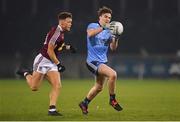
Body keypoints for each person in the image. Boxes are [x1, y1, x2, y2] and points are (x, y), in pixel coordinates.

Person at [16, 12, 76, 116]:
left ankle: (52, 109)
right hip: (43, 60)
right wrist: (59, 64)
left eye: (71, 22)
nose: (71, 24)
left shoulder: (60, 32)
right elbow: (49, 50)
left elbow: (58, 46)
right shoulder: (56, 32)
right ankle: (26, 73)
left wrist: (68, 47)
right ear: (62, 22)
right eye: (69, 22)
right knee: (34, 87)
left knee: (57, 85)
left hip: (51, 62)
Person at [79, 6, 123, 115]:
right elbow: (90, 34)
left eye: (109, 17)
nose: (108, 19)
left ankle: (84, 103)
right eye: (105, 17)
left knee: (99, 87)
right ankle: (112, 100)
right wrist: (103, 28)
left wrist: (116, 37)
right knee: (113, 74)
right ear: (100, 17)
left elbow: (113, 48)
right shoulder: (92, 26)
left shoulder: (109, 31)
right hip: (92, 61)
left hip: (102, 62)